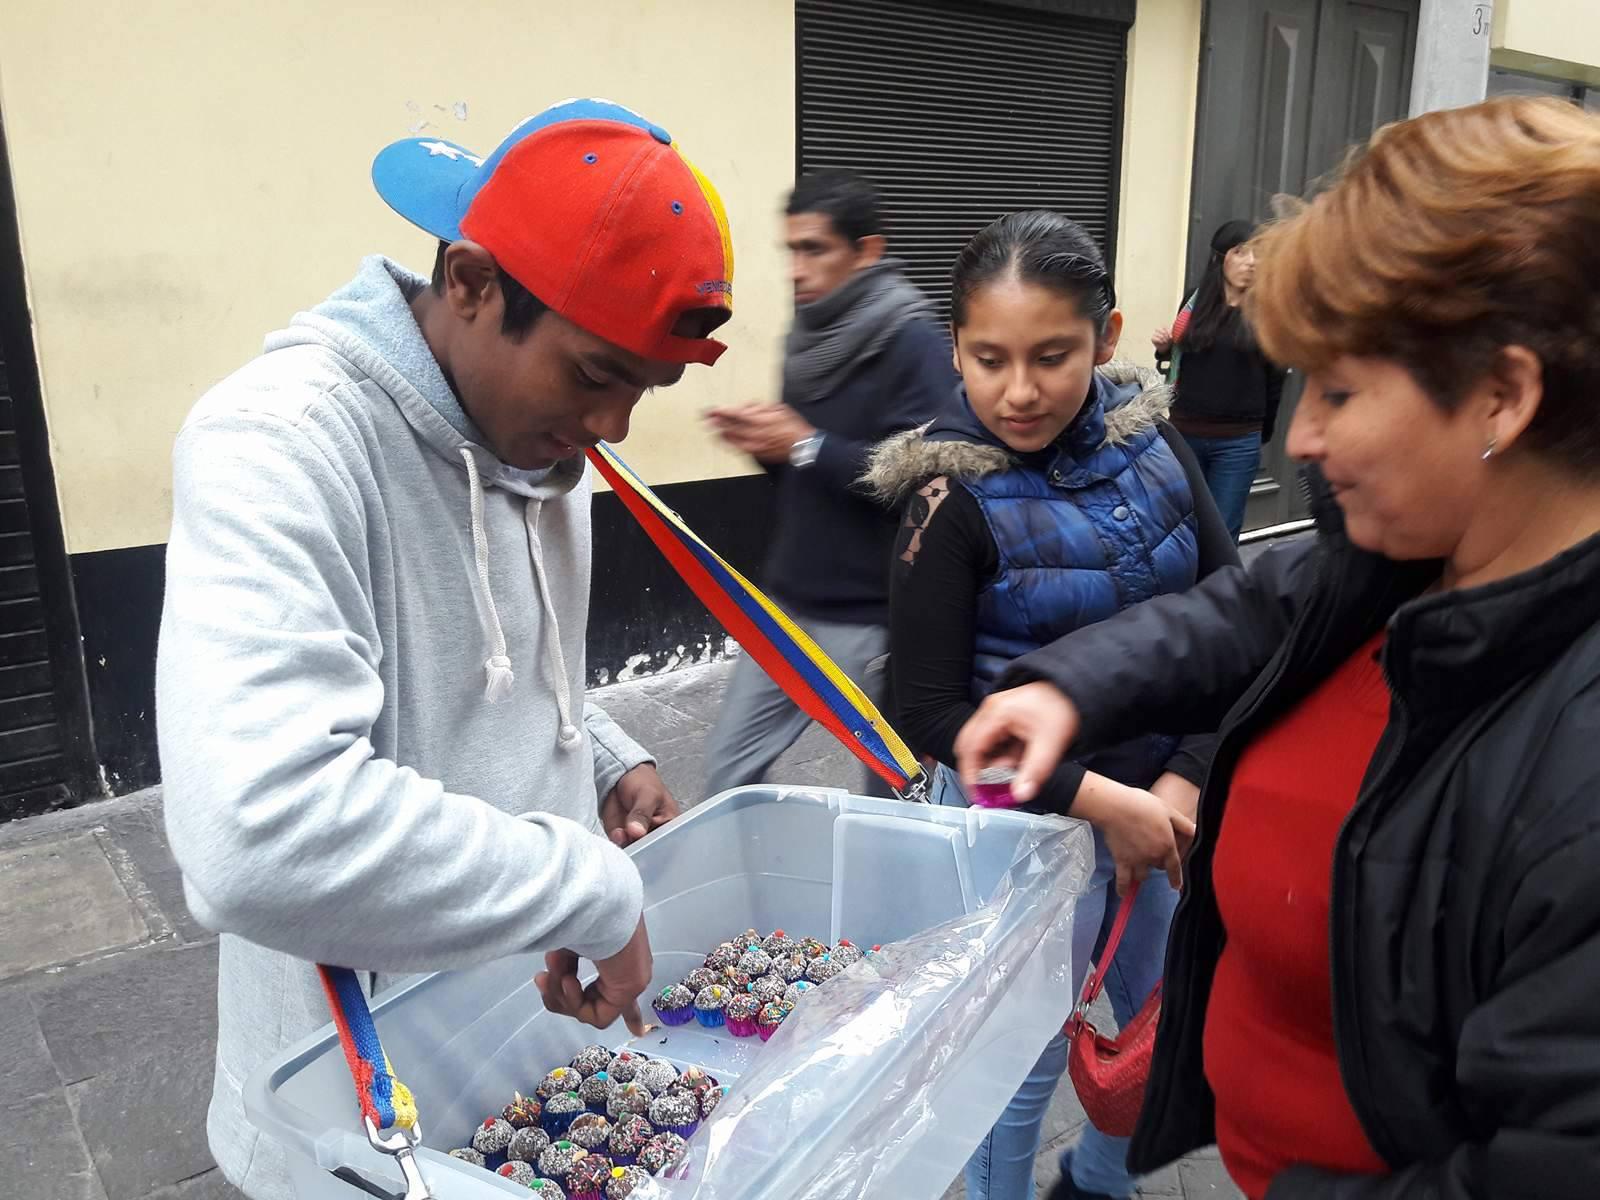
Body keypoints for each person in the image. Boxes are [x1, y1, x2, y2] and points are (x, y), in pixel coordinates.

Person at [955, 97, 1600, 1199]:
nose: (1300, 437)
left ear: (1502, 396)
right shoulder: (1403, 559)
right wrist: (1067, 684)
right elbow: (1245, 609)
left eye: (1340, 392)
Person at [155, 99, 735, 1199]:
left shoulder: (533, 439)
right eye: (593, 374)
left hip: (522, 1037)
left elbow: (493, 651)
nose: (614, 429)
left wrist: (602, 749)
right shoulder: (277, 444)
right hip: (361, 1107)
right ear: (470, 283)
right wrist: (592, 891)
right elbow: (256, 831)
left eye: (642, 392)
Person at [863, 210, 1239, 1200]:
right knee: (1015, 1073)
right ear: (955, 350)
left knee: (1169, 1036)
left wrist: (1181, 777)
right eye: (987, 359)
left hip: (1159, 815)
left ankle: (1097, 1183)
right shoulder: (946, 499)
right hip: (1018, 837)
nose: (1017, 391)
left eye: (1051, 356)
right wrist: (1097, 802)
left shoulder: (1151, 442)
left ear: (1106, 339)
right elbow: (933, 711)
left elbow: (1231, 610)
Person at [702, 169, 954, 797]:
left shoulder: (913, 342)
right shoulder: (808, 336)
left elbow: (924, 480)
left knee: (894, 792)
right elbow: (805, 463)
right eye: (791, 249)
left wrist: (805, 444)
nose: (795, 268)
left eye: (814, 249)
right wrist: (769, 444)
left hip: (869, 617)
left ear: (866, 250)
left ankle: (889, 892)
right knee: (729, 774)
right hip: (788, 606)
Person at [1153, 220, 1286, 541]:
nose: (1252, 261)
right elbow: (1181, 361)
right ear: (1220, 257)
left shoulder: (1267, 310)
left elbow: (1275, 376)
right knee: (1181, 523)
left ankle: (1216, 591)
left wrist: (1262, 432)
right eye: (1241, 252)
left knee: (1223, 533)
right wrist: (1165, 349)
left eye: (1258, 253)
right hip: (1186, 433)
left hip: (1238, 441)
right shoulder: (1194, 303)